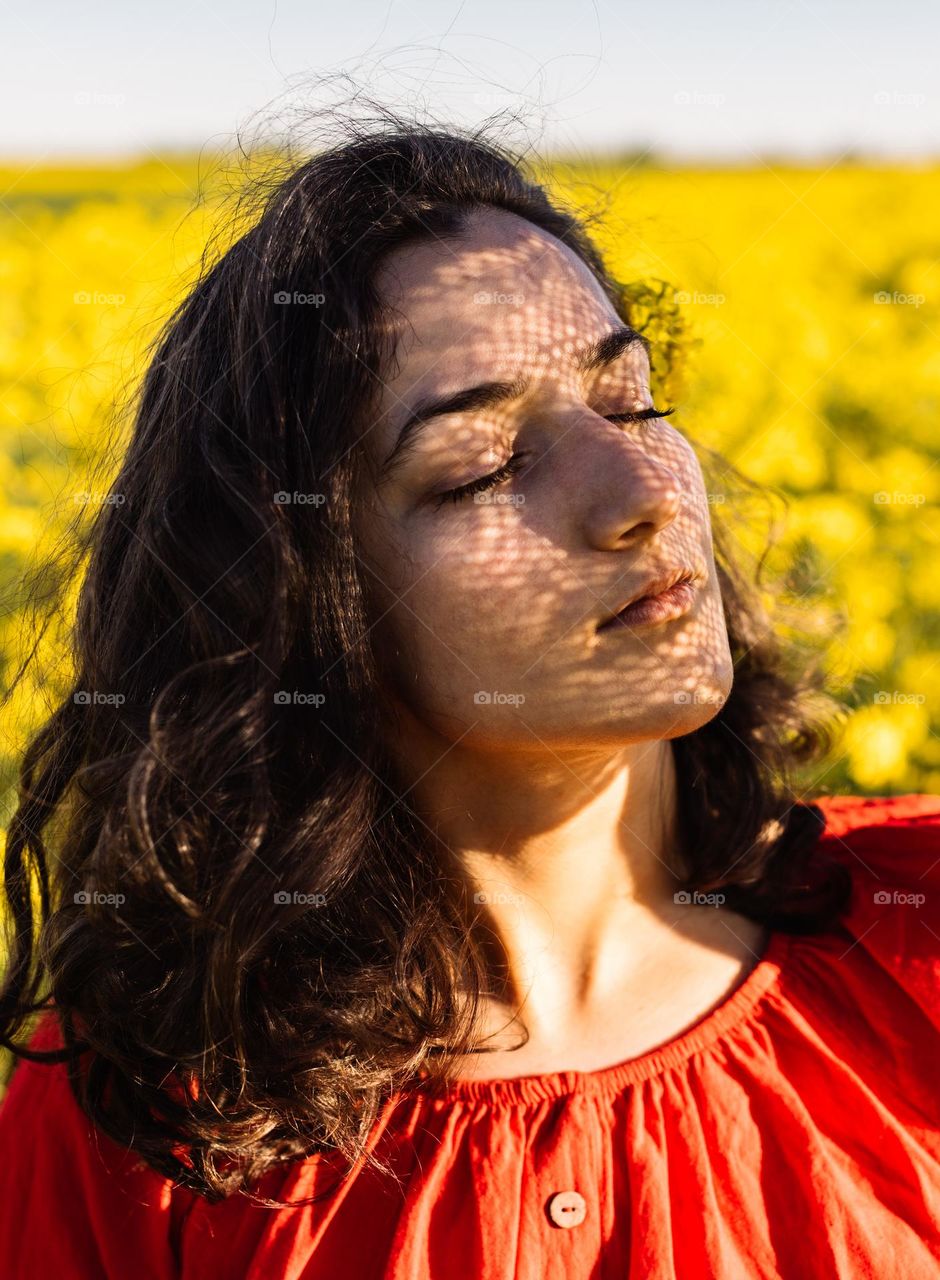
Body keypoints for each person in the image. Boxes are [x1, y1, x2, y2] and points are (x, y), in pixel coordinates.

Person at [1, 113, 938, 1279]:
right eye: (485, 465)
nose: (642, 486)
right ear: (305, 593)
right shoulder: (161, 1104)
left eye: (631, 398)